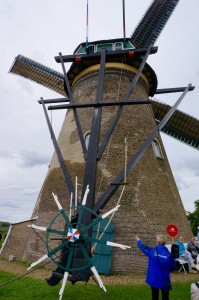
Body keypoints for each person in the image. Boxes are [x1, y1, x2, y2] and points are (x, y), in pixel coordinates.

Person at [135, 234, 176, 300]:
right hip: (164, 278)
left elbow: (144, 247)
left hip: (154, 278)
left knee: (154, 296)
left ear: (157, 241)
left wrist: (138, 240)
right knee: (165, 297)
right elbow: (173, 266)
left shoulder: (152, 251)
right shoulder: (168, 254)